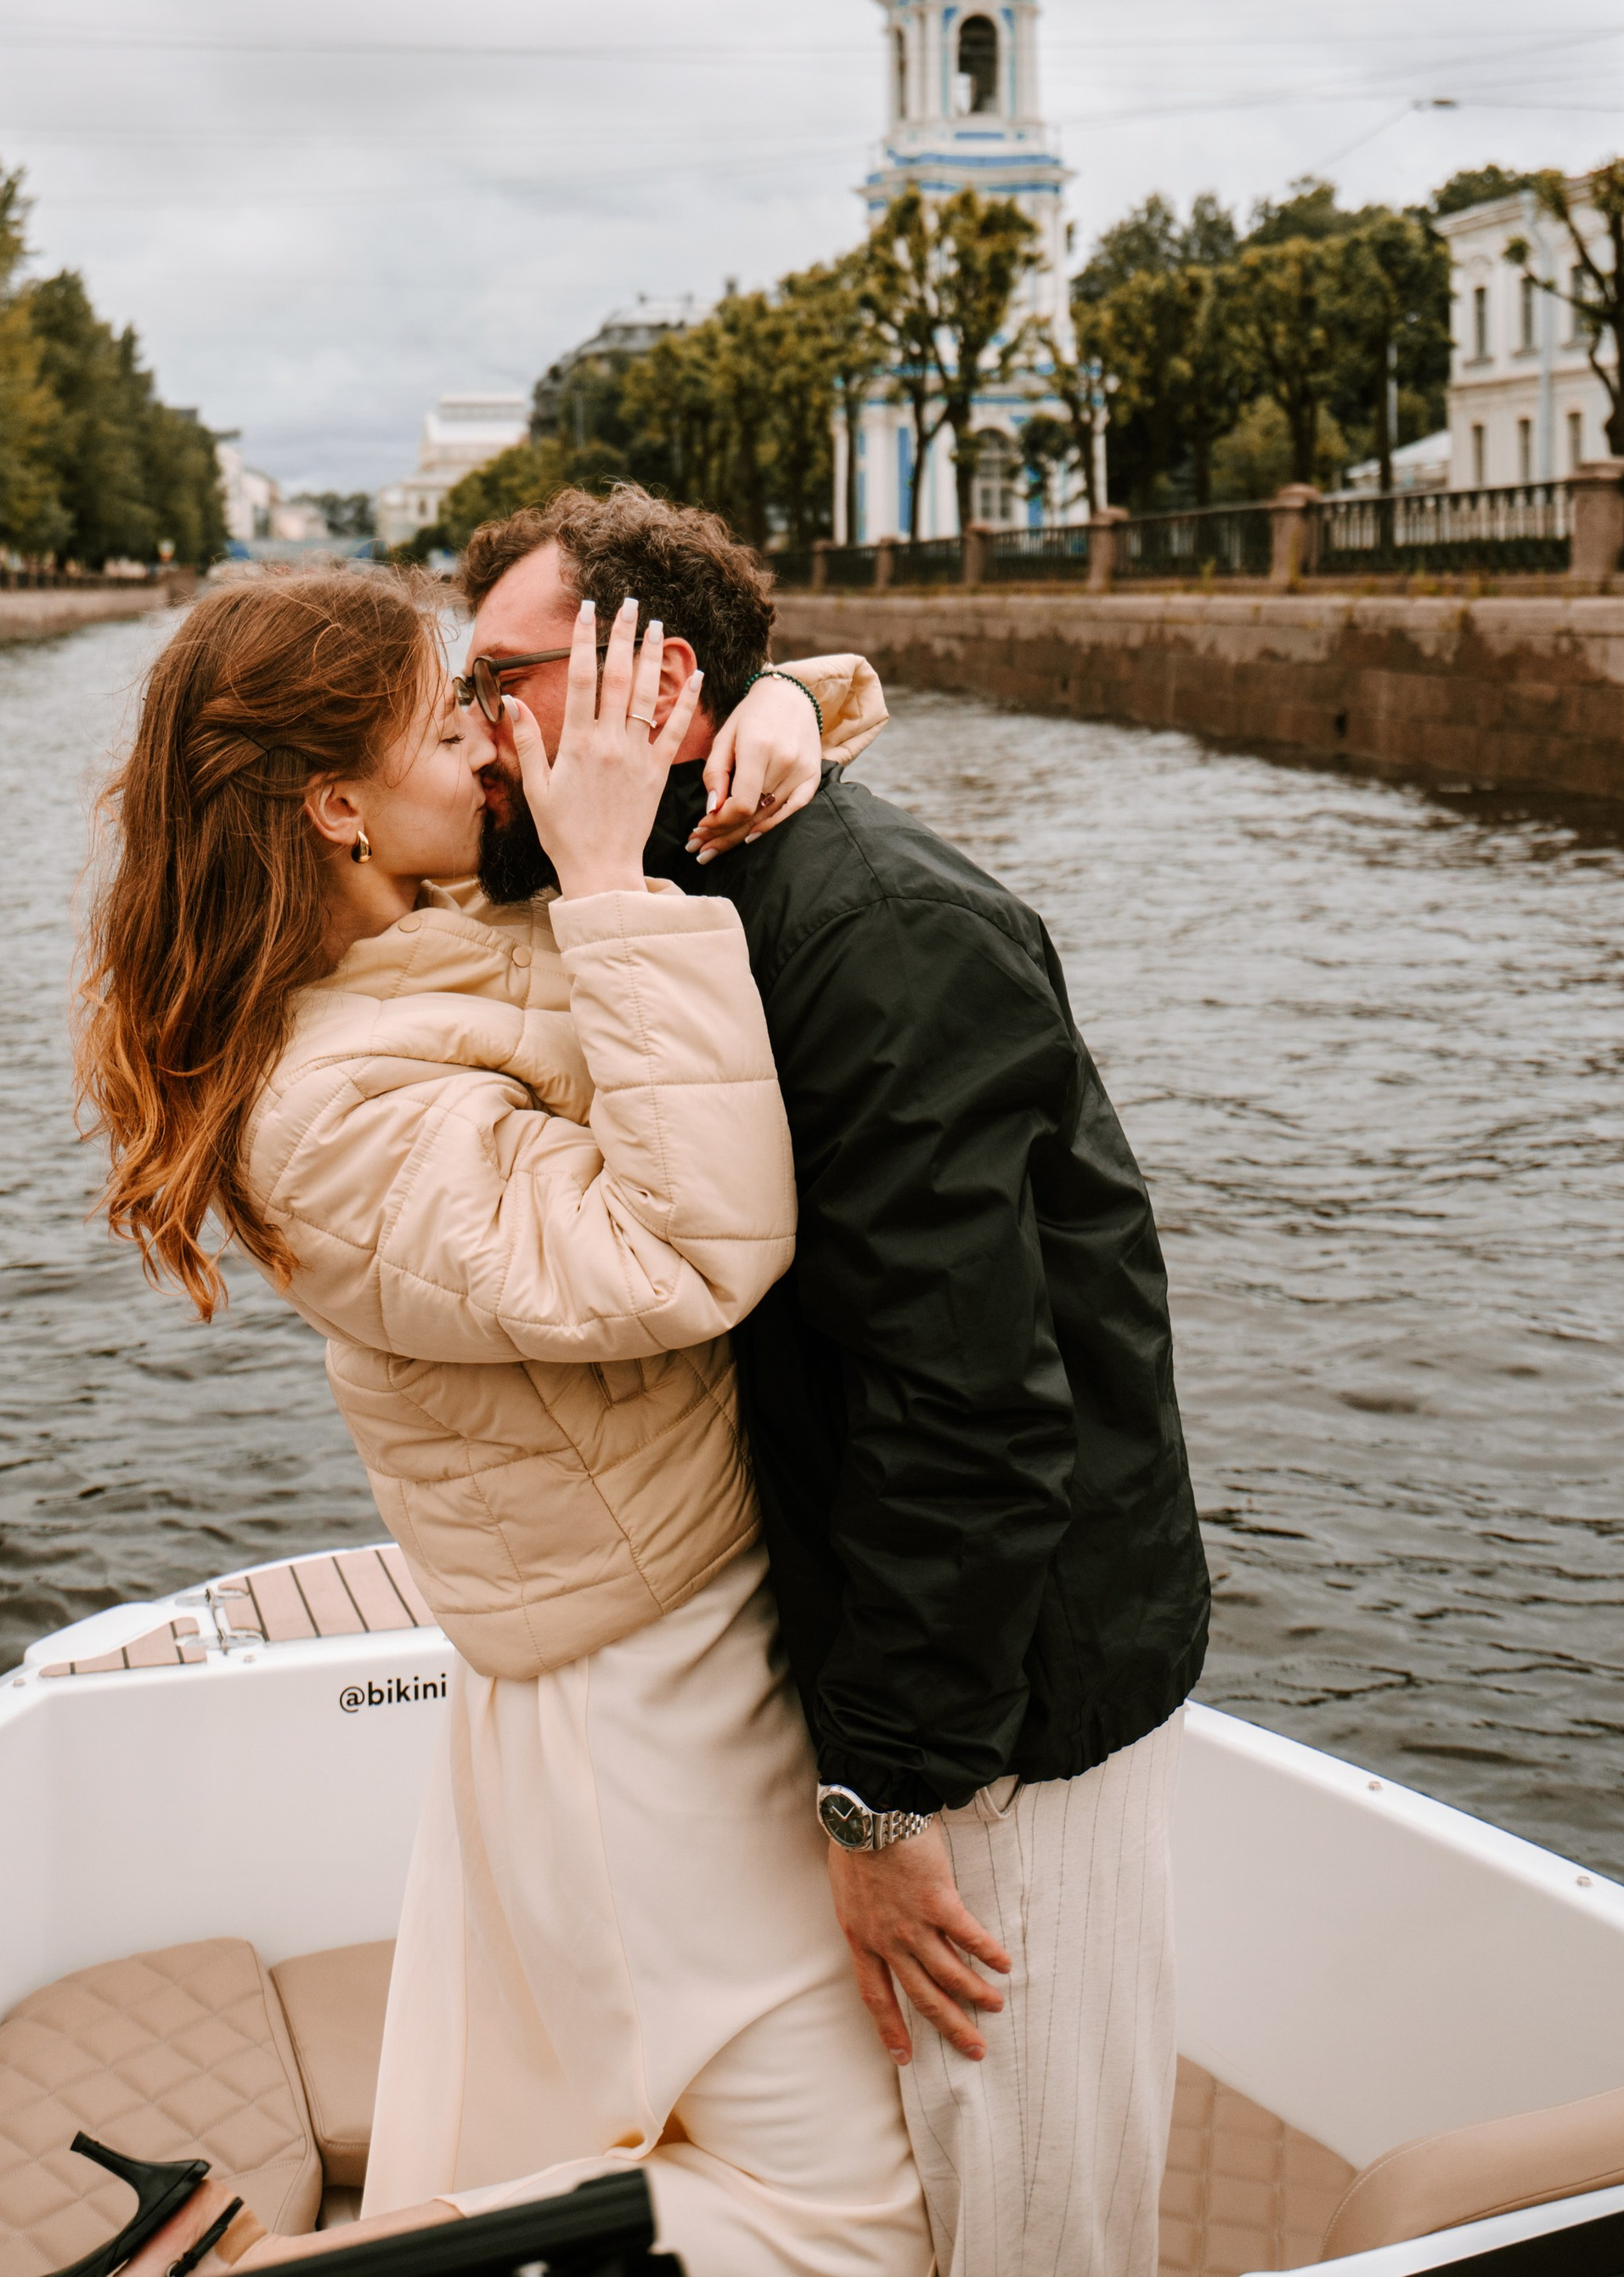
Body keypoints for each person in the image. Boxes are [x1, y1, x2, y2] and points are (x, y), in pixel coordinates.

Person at [77, 567, 928, 2277]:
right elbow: (684, 1254)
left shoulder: (445, 923)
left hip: (690, 1628)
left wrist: (767, 711)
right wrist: (614, 882)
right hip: (642, 1703)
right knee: (854, 2219)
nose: (488, 742)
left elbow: (792, 702)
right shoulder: (326, 1113)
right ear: (335, 807)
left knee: (610, 2131)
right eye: (440, 719)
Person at [455, 491, 1212, 2277]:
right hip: (921, 1682)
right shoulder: (690, 886)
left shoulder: (871, 936)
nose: (472, 727)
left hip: (1007, 1724)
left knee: (1025, 2204)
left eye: (499, 678)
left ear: (657, 686)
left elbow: (970, 1408)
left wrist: (893, 1800)